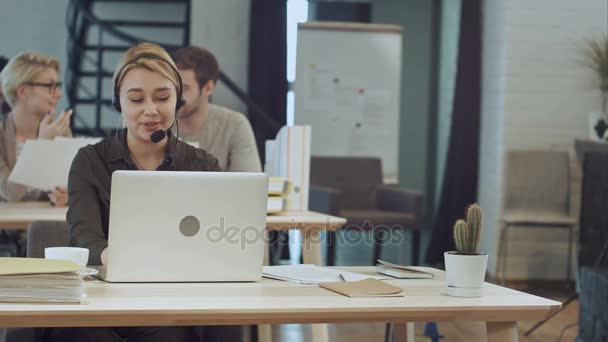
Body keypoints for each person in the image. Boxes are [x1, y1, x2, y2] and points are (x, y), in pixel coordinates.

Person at [46, 42, 220, 342]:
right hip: (100, 299)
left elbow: (215, 241)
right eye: (136, 99)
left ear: (178, 100)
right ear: (119, 103)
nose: (150, 110)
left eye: (163, 97)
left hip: (171, 301)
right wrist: (115, 258)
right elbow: (84, 234)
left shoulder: (203, 166)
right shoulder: (90, 161)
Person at [169, 46, 261, 172]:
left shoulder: (234, 124)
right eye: (171, 87)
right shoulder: (156, 123)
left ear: (208, 88)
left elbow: (250, 187)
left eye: (184, 88)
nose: (175, 96)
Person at [0, 52, 72, 206]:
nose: (59, 94)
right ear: (22, 91)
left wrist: (67, 196)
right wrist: (41, 146)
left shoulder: (60, 130)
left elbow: (75, 186)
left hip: (45, 226)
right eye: (49, 86)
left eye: (57, 86)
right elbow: (11, 194)